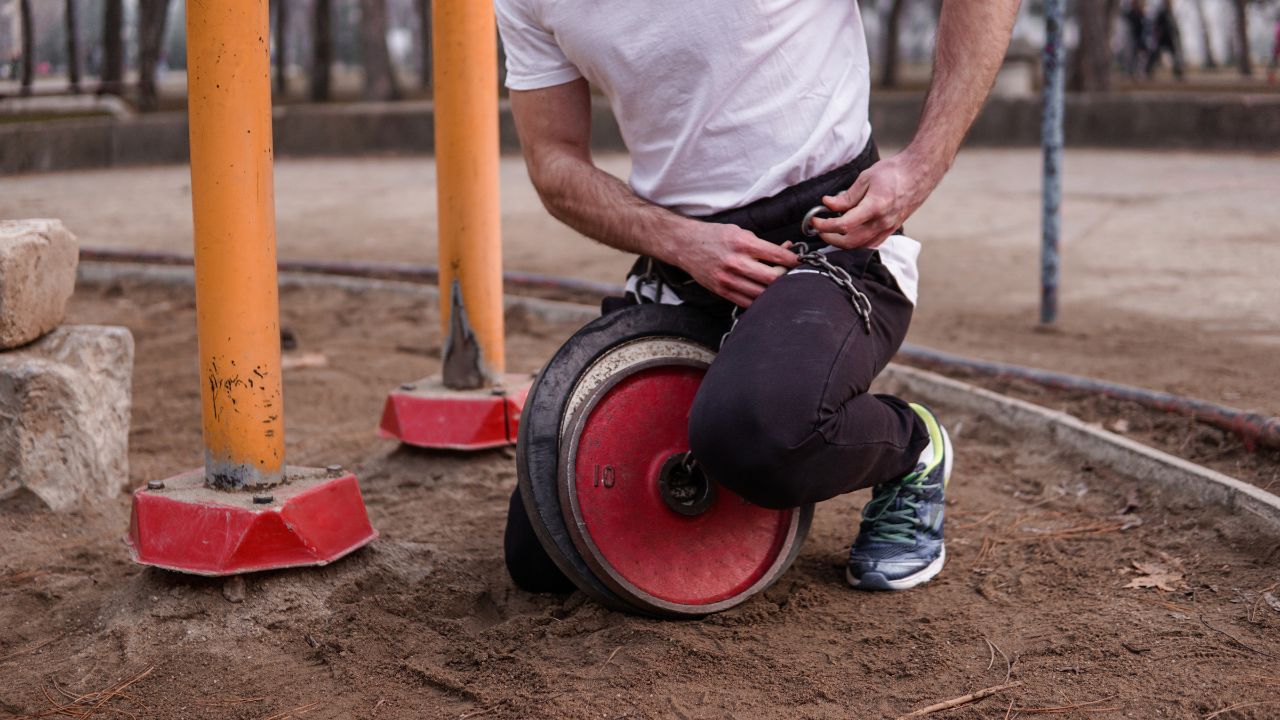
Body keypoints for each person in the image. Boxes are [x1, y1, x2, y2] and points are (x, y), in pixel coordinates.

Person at [498, 0, 1020, 595]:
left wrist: (923, 165)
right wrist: (682, 240)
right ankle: (753, 413)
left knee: (759, 436)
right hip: (685, 256)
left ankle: (910, 447)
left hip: (827, 236)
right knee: (543, 554)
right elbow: (553, 162)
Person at [1148, 1, 1185, 80]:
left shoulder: (1171, 13)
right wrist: (1157, 35)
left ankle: (1178, 74)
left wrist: (1176, 35)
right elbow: (1156, 26)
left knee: (1175, 56)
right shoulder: (1161, 13)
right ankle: (1148, 71)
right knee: (1154, 55)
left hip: (1169, 39)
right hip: (1161, 38)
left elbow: (1174, 27)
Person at [1125, 0, 1153, 79]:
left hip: (1142, 40)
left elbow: (1147, 28)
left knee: (1142, 57)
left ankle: (1141, 73)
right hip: (1133, 38)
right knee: (1132, 57)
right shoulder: (1131, 14)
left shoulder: (1144, 15)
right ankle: (1131, 73)